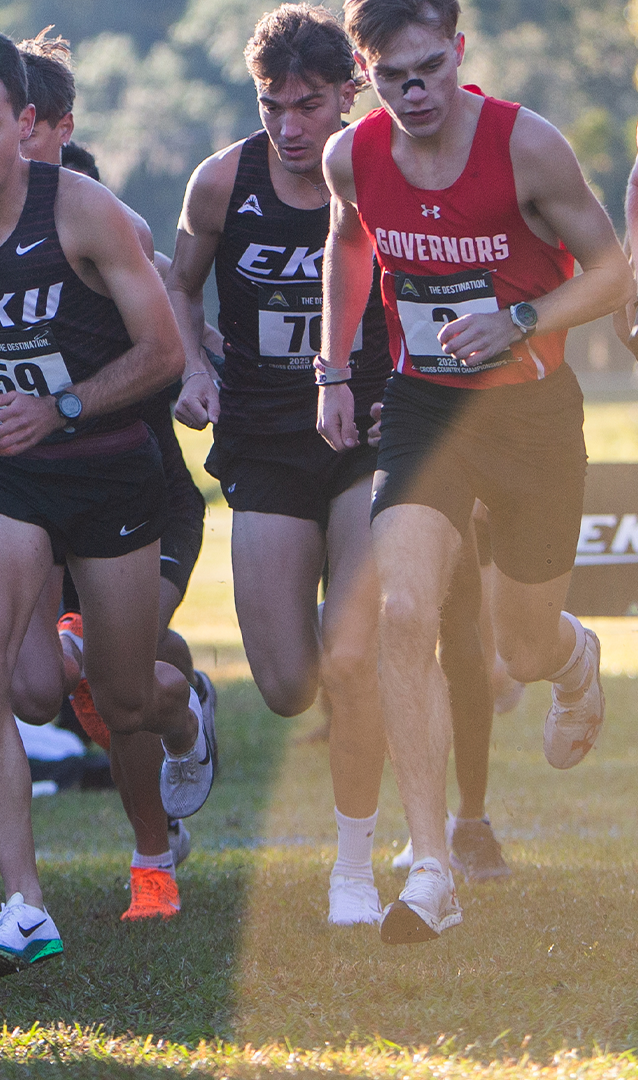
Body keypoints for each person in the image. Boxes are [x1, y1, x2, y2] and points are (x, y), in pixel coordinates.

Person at [0, 25, 215, 980]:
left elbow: (163, 353)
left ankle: (177, 726)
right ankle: (23, 901)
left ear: (29, 124)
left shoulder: (87, 214)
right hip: (4, 468)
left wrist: (61, 404)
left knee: (118, 695)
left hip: (111, 466)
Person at [320, 0, 629, 943]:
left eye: (429, 69)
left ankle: (573, 659)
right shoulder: (353, 156)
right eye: (390, 74)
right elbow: (348, 242)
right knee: (405, 611)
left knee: (517, 651)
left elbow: (613, 271)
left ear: (458, 53)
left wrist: (523, 319)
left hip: (532, 411)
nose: (414, 92)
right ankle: (430, 866)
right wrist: (335, 369)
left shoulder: (527, 146)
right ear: (364, 71)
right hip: (427, 406)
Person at [166, 3, 394, 926]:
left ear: (349, 94)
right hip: (261, 439)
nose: (290, 128)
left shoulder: (383, 170)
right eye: (272, 106)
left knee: (353, 656)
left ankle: (354, 865)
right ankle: (197, 704)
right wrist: (189, 363)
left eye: (308, 106)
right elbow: (178, 285)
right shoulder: (224, 182)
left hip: (365, 432)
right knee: (290, 683)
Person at [15, 30, 213, 924]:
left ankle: (160, 821)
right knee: (51, 679)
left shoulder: (103, 220)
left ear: (54, 126)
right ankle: (181, 700)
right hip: (40, 499)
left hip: (144, 498)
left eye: (20, 123)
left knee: (102, 668)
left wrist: (196, 370)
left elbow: (172, 293)